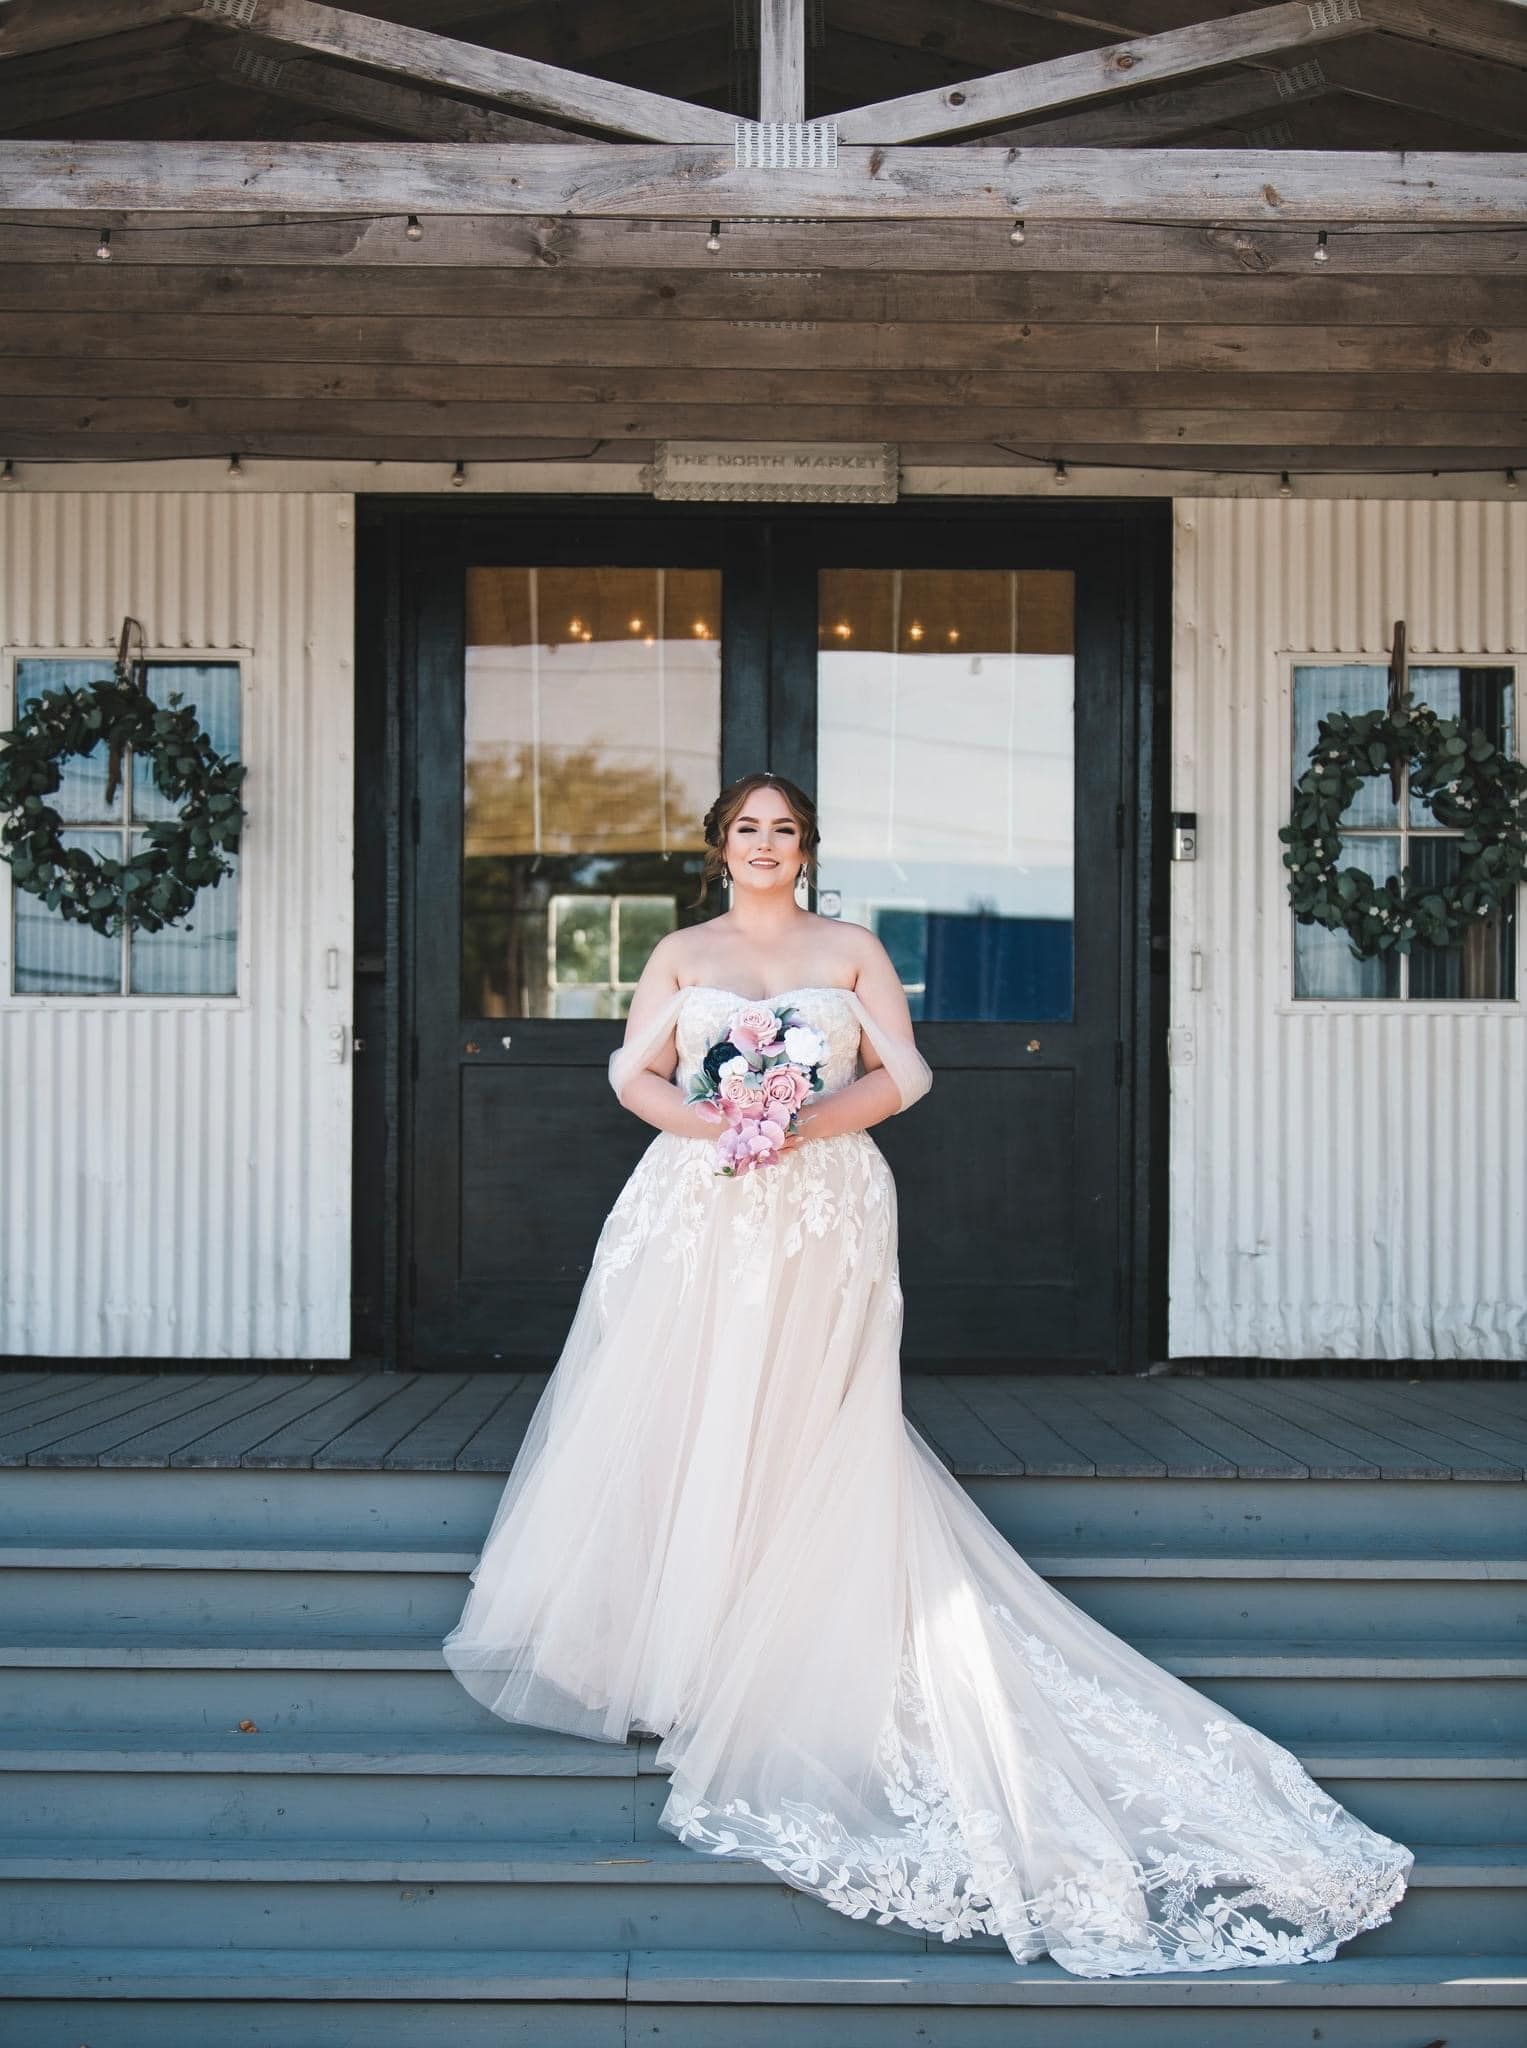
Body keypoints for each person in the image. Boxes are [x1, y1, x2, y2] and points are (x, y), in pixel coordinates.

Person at [443, 770, 1411, 1979]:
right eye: (745, 827)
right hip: (700, 1204)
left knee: (805, 1406)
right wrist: (726, 1128)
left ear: (806, 845)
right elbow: (628, 1076)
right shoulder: (679, 951)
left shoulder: (851, 947)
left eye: (784, 828)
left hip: (824, 1199)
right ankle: (687, 1646)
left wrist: (795, 1121)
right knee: (693, 1402)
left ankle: (790, 1638)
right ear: (717, 845)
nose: (764, 843)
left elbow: (908, 1074)